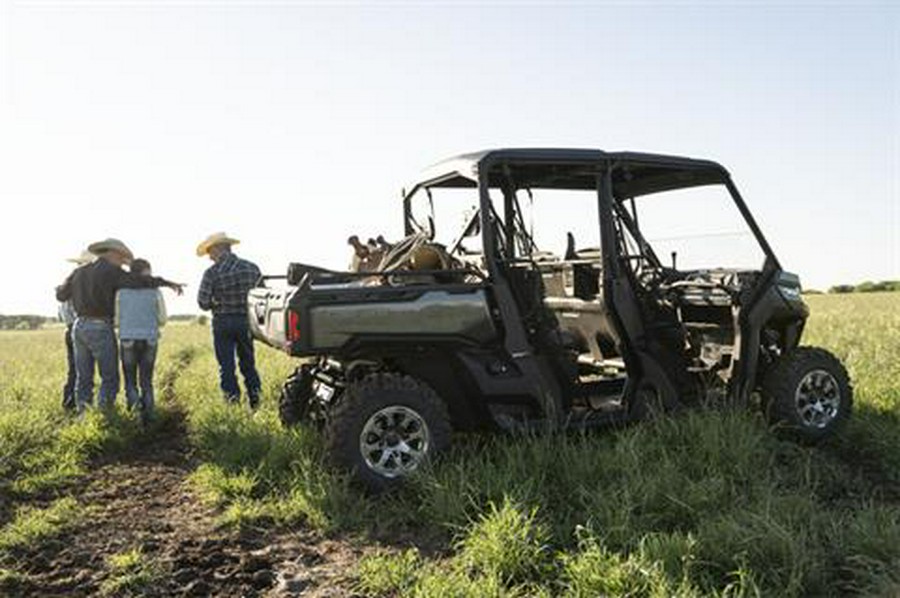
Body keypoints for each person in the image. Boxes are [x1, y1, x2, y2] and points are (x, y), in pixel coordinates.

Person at [55, 238, 183, 414]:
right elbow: (140, 281)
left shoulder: (79, 272)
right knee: (109, 378)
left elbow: (61, 295)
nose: (124, 263)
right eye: (122, 258)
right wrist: (168, 283)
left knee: (83, 377)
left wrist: (71, 286)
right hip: (100, 326)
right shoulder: (112, 271)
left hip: (78, 327)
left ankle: (83, 415)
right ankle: (105, 416)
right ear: (113, 253)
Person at [196, 232, 262, 409]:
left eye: (210, 251)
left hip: (223, 323)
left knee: (226, 367)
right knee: (249, 364)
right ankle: (255, 403)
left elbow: (202, 303)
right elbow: (260, 297)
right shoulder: (251, 268)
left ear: (218, 249)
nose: (209, 257)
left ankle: (232, 405)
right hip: (246, 322)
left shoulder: (212, 273)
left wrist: (215, 302)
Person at [115, 258, 167, 423]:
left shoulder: (120, 292)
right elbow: (163, 318)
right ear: (146, 272)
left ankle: (135, 417)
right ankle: (150, 417)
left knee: (130, 380)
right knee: (147, 380)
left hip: (127, 338)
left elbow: (116, 320)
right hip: (150, 337)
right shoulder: (156, 291)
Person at [60, 249, 95, 412]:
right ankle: (85, 405)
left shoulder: (66, 284)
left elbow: (62, 313)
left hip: (69, 329)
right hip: (83, 327)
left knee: (74, 369)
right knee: (86, 370)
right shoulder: (86, 286)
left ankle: (69, 403)